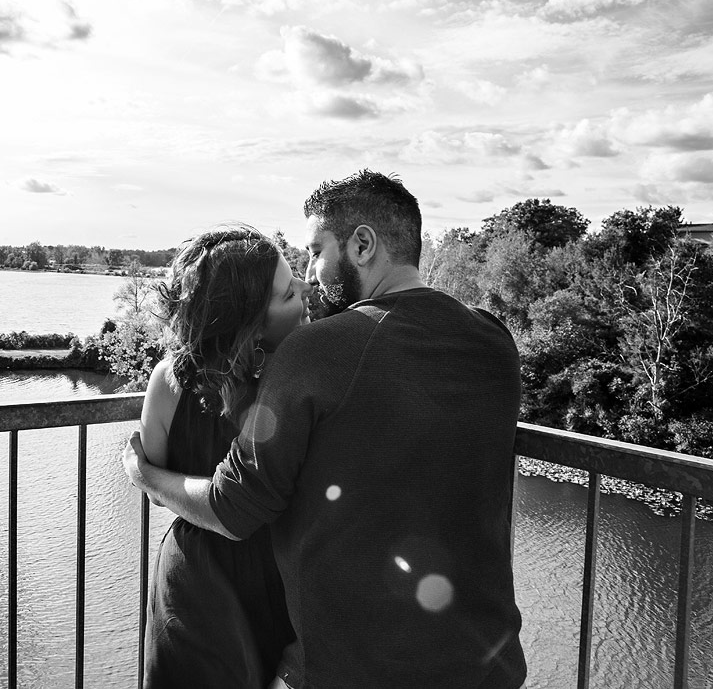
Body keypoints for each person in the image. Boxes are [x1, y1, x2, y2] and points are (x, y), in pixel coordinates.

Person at [124, 170, 527, 689]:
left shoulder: (317, 351)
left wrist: (146, 476)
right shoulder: (494, 338)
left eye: (316, 251)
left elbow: (235, 505)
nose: (311, 275)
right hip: (488, 661)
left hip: (359, 667)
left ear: (362, 244)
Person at [140, 224, 311, 688]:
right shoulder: (298, 382)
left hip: (194, 577)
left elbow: (154, 478)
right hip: (273, 580)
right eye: (287, 292)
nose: (304, 288)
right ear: (251, 321)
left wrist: (142, 473)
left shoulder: (168, 381)